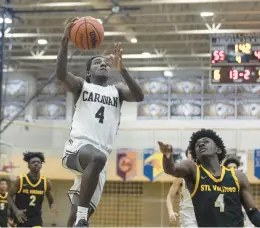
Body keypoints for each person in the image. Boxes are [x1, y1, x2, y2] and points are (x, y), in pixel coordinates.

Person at [56, 17, 144, 227]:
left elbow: (139, 96)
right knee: (96, 160)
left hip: (98, 163)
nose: (103, 64)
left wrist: (123, 70)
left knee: (73, 216)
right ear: (88, 72)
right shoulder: (81, 86)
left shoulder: (117, 92)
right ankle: (82, 217)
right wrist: (64, 40)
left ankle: (79, 217)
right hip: (77, 149)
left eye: (106, 63)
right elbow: (60, 74)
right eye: (97, 62)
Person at [158, 128, 260, 227]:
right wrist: (167, 156)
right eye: (197, 145)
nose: (201, 144)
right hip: (191, 218)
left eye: (206, 142)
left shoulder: (238, 177)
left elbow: (252, 212)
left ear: (218, 149)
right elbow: (171, 169)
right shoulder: (193, 171)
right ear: (196, 154)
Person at [8, 152, 57, 227]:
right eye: (33, 162)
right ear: (28, 165)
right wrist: (16, 211)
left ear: (41, 165)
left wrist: (52, 206)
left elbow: (51, 199)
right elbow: (9, 196)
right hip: (21, 217)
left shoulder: (46, 182)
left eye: (38, 162)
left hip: (36, 218)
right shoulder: (20, 180)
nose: (36, 164)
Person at [166, 147, 197, 227]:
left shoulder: (204, 172)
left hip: (203, 213)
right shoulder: (181, 175)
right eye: (190, 153)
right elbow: (170, 196)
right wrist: (170, 212)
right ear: (187, 156)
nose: (192, 155)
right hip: (187, 214)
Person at [223, 155, 254, 227]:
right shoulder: (221, 185)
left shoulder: (244, 185)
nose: (233, 169)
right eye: (229, 168)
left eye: (235, 167)